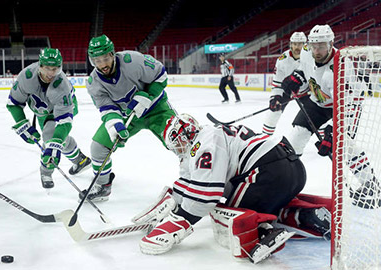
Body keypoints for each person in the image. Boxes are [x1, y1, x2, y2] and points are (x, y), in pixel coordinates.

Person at [132, 114, 331, 263]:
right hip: (291, 169)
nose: (178, 149)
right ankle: (307, 215)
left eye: (177, 142)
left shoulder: (203, 143)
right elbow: (188, 181)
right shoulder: (208, 136)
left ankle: (262, 233)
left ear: (185, 135)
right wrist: (173, 202)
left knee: (224, 215)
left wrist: (179, 220)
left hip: (267, 173)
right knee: (266, 205)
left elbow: (206, 195)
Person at [282, 25, 379, 202]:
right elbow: (306, 69)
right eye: (314, 46)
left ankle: (370, 185)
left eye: (322, 46)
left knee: (344, 146)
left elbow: (346, 104)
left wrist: (333, 131)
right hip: (318, 101)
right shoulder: (306, 51)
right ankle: (284, 177)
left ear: (332, 43)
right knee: (296, 137)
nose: (317, 51)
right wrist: (298, 77)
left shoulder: (341, 67)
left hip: (346, 105)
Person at [81, 34, 176, 201]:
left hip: (156, 109)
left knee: (180, 140)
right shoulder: (93, 82)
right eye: (97, 61)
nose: (102, 64)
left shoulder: (133, 61)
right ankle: (103, 186)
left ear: (112, 54)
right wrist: (115, 123)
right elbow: (107, 108)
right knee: (98, 146)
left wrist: (148, 95)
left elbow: (160, 74)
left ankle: (200, 181)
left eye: (105, 58)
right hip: (128, 115)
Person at [6, 48, 91, 190]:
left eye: (56, 69)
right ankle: (80, 160)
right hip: (42, 111)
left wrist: (55, 143)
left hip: (65, 106)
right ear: (40, 66)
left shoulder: (62, 85)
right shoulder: (26, 77)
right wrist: (22, 123)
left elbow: (64, 122)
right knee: (55, 138)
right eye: (47, 68)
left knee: (50, 136)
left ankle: (46, 172)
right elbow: (13, 104)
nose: (51, 73)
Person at [262, 32, 307, 135]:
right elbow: (277, 82)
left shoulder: (312, 56)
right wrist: (275, 97)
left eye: (300, 44)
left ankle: (326, 141)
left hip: (307, 91)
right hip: (288, 91)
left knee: (315, 115)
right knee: (274, 112)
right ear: (290, 44)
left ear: (305, 44)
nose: (297, 47)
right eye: (294, 44)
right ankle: (265, 138)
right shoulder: (283, 60)